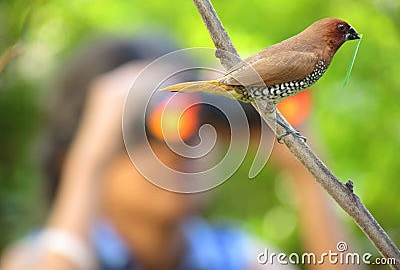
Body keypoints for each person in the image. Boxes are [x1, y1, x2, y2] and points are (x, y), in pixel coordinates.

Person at [0, 34, 362, 270]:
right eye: (142, 128)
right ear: (73, 157)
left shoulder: (239, 259)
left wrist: (309, 170)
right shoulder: (32, 259)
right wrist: (89, 159)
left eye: (199, 117)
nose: (178, 144)